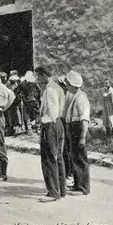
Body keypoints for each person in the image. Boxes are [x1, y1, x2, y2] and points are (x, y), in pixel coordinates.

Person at [35, 66, 66, 203]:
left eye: (38, 76)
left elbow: (51, 110)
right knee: (58, 157)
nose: (37, 79)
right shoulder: (57, 87)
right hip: (58, 123)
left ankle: (53, 192)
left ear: (43, 75)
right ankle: (61, 189)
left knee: (49, 159)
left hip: (50, 124)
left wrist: (43, 122)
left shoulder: (50, 89)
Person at [65, 70, 91, 196]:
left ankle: (84, 187)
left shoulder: (81, 98)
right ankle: (77, 184)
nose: (67, 86)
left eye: (68, 84)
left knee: (81, 159)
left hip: (78, 129)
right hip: (73, 128)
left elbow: (84, 119)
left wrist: (82, 137)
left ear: (72, 84)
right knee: (74, 157)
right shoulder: (74, 95)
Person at [57, 75, 74, 184]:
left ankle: (70, 173)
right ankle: (66, 172)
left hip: (68, 122)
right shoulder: (62, 94)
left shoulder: (69, 95)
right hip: (62, 121)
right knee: (63, 149)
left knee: (68, 148)